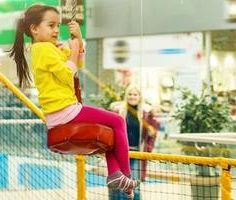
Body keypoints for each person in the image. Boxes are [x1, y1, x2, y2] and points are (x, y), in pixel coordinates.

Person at [8, 5, 139, 198]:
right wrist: (73, 50)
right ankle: (125, 175)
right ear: (34, 29)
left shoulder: (47, 49)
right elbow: (68, 74)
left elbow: (77, 64)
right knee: (118, 121)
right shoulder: (43, 49)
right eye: (51, 25)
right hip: (65, 110)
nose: (55, 30)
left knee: (111, 134)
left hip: (63, 110)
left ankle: (115, 174)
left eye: (58, 26)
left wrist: (77, 43)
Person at [109, 85, 159, 199]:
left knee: (134, 185)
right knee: (117, 184)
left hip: (137, 153)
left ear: (140, 97)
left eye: (135, 94)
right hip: (119, 153)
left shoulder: (146, 113)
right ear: (126, 96)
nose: (132, 97)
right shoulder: (118, 111)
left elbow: (153, 132)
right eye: (130, 94)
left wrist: (148, 148)